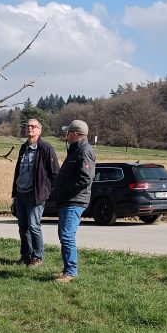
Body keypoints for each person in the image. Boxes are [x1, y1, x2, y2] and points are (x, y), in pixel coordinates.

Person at [50, 119, 95, 283]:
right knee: (64, 235)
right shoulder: (75, 150)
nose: (66, 136)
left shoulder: (84, 151)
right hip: (68, 201)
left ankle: (71, 272)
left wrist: (66, 190)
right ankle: (66, 270)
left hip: (74, 201)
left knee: (67, 235)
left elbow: (86, 178)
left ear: (75, 134)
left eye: (68, 133)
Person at [11, 119, 59, 268]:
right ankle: (26, 256)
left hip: (35, 195)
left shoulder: (45, 148)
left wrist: (46, 192)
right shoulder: (23, 148)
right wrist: (14, 194)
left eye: (33, 126)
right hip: (21, 193)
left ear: (39, 130)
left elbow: (55, 173)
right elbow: (18, 171)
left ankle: (37, 257)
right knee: (23, 227)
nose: (30, 128)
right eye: (28, 126)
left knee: (33, 226)